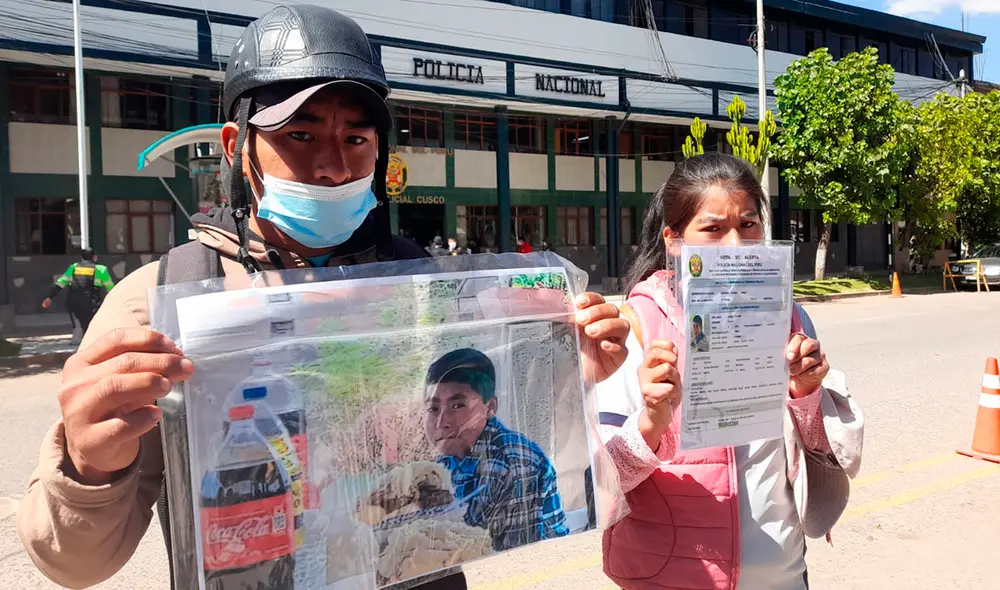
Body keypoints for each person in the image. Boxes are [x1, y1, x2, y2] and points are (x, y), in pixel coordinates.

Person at [14, 6, 630, 590]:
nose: (333, 167)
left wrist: (568, 375)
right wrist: (89, 465)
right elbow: (75, 562)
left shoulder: (423, 282)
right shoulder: (163, 298)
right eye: (300, 135)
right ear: (236, 147)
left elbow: (507, 448)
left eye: (356, 140)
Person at [597, 154, 865, 590]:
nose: (736, 246)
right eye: (713, 228)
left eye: (748, 225)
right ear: (674, 240)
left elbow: (818, 451)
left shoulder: (791, 318)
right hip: (672, 577)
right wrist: (650, 422)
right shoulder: (635, 329)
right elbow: (605, 486)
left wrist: (806, 394)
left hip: (783, 574)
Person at [423, 348, 569, 552]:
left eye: (457, 406)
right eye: (433, 409)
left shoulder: (507, 459)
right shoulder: (448, 460)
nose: (441, 422)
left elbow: (479, 549)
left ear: (490, 407)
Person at [41, 248, 114, 336]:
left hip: (74, 303)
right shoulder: (101, 269)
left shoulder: (73, 267)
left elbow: (60, 283)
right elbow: (110, 288)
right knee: (93, 327)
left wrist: (49, 297)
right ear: (94, 257)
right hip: (91, 304)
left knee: (84, 327)